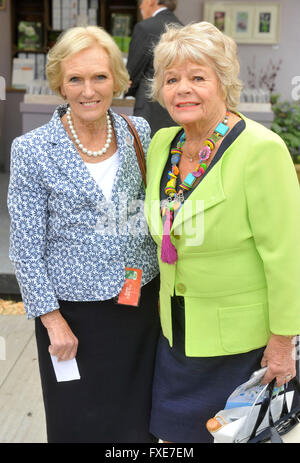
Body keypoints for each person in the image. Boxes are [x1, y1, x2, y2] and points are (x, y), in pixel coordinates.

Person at [144, 21, 300, 443]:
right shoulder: (163, 144)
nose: (183, 89)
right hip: (176, 339)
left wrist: (283, 344)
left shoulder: (260, 150)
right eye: (172, 79)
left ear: (224, 83)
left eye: (198, 78)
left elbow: (287, 257)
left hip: (241, 349)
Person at [7, 26, 160, 443]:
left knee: (137, 424)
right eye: (75, 78)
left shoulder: (138, 133)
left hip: (138, 306)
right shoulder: (32, 149)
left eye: (99, 77)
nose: (88, 90)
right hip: (71, 316)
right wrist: (51, 320)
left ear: (117, 80)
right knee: (78, 422)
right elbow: (24, 245)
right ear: (60, 83)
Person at [126, 0, 182, 136]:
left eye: (142, 1)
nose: (140, 6)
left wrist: (128, 88)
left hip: (149, 106)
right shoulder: (183, 29)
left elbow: (132, 71)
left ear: (152, 1)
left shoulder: (145, 28)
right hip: (177, 106)